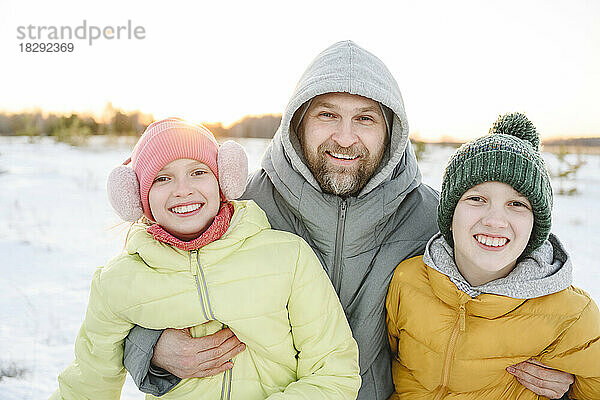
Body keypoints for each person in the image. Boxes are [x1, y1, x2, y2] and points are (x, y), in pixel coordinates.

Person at [124, 41, 576, 399]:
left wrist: (565, 374)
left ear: (392, 131)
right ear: (297, 122)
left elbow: (520, 282)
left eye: (365, 118)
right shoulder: (240, 205)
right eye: (327, 115)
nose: (345, 137)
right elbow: (132, 290)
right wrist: (153, 349)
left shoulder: (434, 218)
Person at [50, 118, 361, 399]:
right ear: (138, 197)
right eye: (162, 178)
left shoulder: (288, 257)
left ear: (223, 181)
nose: (183, 190)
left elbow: (333, 372)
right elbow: (87, 385)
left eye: (198, 172)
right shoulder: (117, 282)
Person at [386, 112, 600, 399]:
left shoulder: (571, 315)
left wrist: (570, 393)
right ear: (450, 214)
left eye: (516, 204)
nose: (495, 220)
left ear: (536, 225)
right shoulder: (407, 280)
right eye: (477, 199)